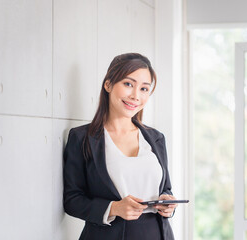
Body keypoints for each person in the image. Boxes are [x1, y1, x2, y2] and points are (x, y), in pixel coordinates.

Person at [63, 53, 177, 240]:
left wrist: (167, 202)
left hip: (157, 234)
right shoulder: (82, 138)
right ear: (108, 84)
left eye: (144, 89)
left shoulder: (156, 139)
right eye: (128, 84)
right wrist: (113, 208)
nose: (135, 96)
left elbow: (166, 188)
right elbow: (72, 200)